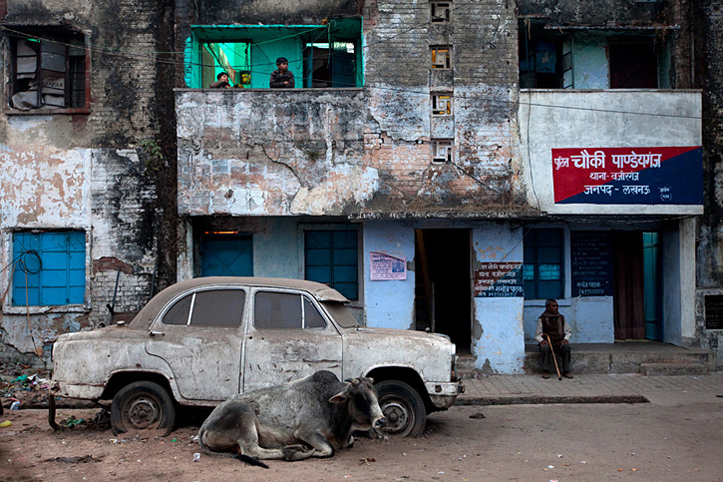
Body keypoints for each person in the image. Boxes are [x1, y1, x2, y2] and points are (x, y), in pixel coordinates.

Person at [534, 299, 573, 379]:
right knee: (545, 348)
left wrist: (565, 338)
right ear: (547, 307)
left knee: (566, 347)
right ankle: (546, 370)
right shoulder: (542, 319)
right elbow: (538, 335)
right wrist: (542, 341)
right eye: (553, 306)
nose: (556, 308)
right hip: (548, 343)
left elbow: (568, 331)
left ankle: (566, 371)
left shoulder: (561, 318)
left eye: (557, 306)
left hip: (559, 342)